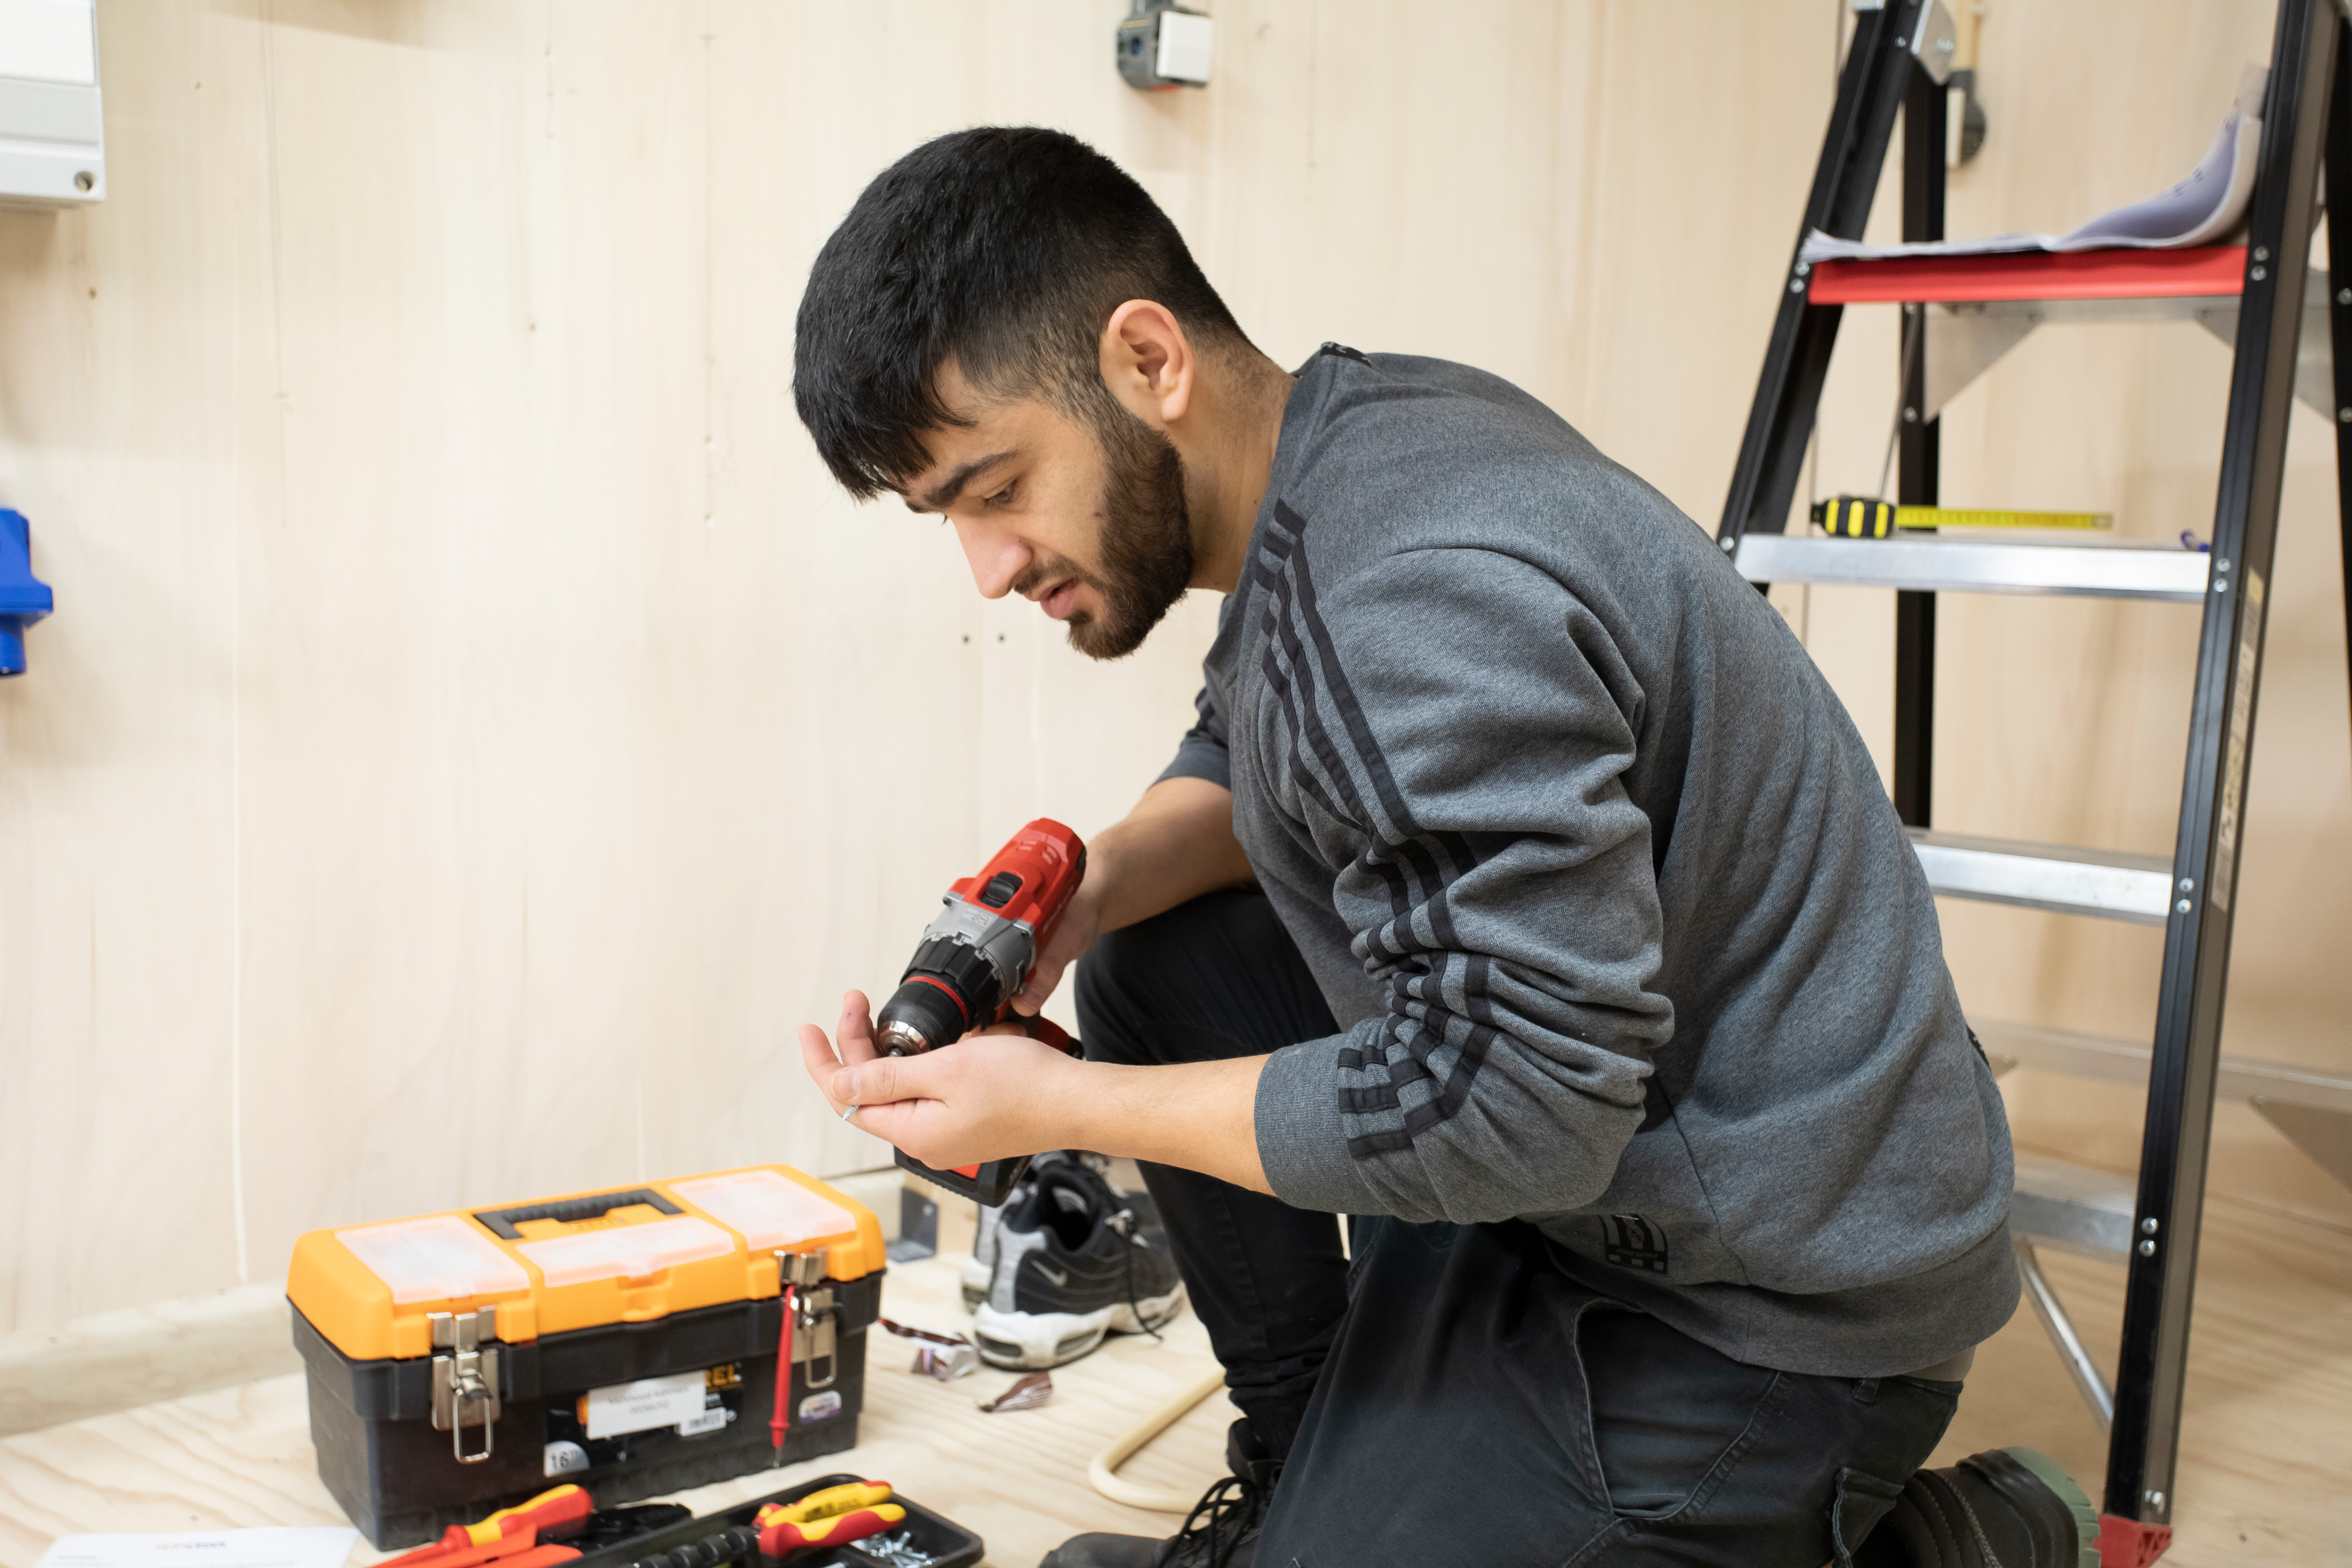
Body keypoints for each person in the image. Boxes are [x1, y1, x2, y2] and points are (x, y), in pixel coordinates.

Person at [789, 127, 2097, 1568]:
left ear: (1147, 361)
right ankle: (1304, 1483)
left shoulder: (1410, 589)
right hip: (1603, 1175)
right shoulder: (1346, 443)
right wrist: (1088, 891)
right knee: (1165, 959)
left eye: (995, 488)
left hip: (1776, 1292)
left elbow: (1518, 1105)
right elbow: (1267, 752)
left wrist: (1064, 1109)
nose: (989, 568)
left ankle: (1952, 1537)